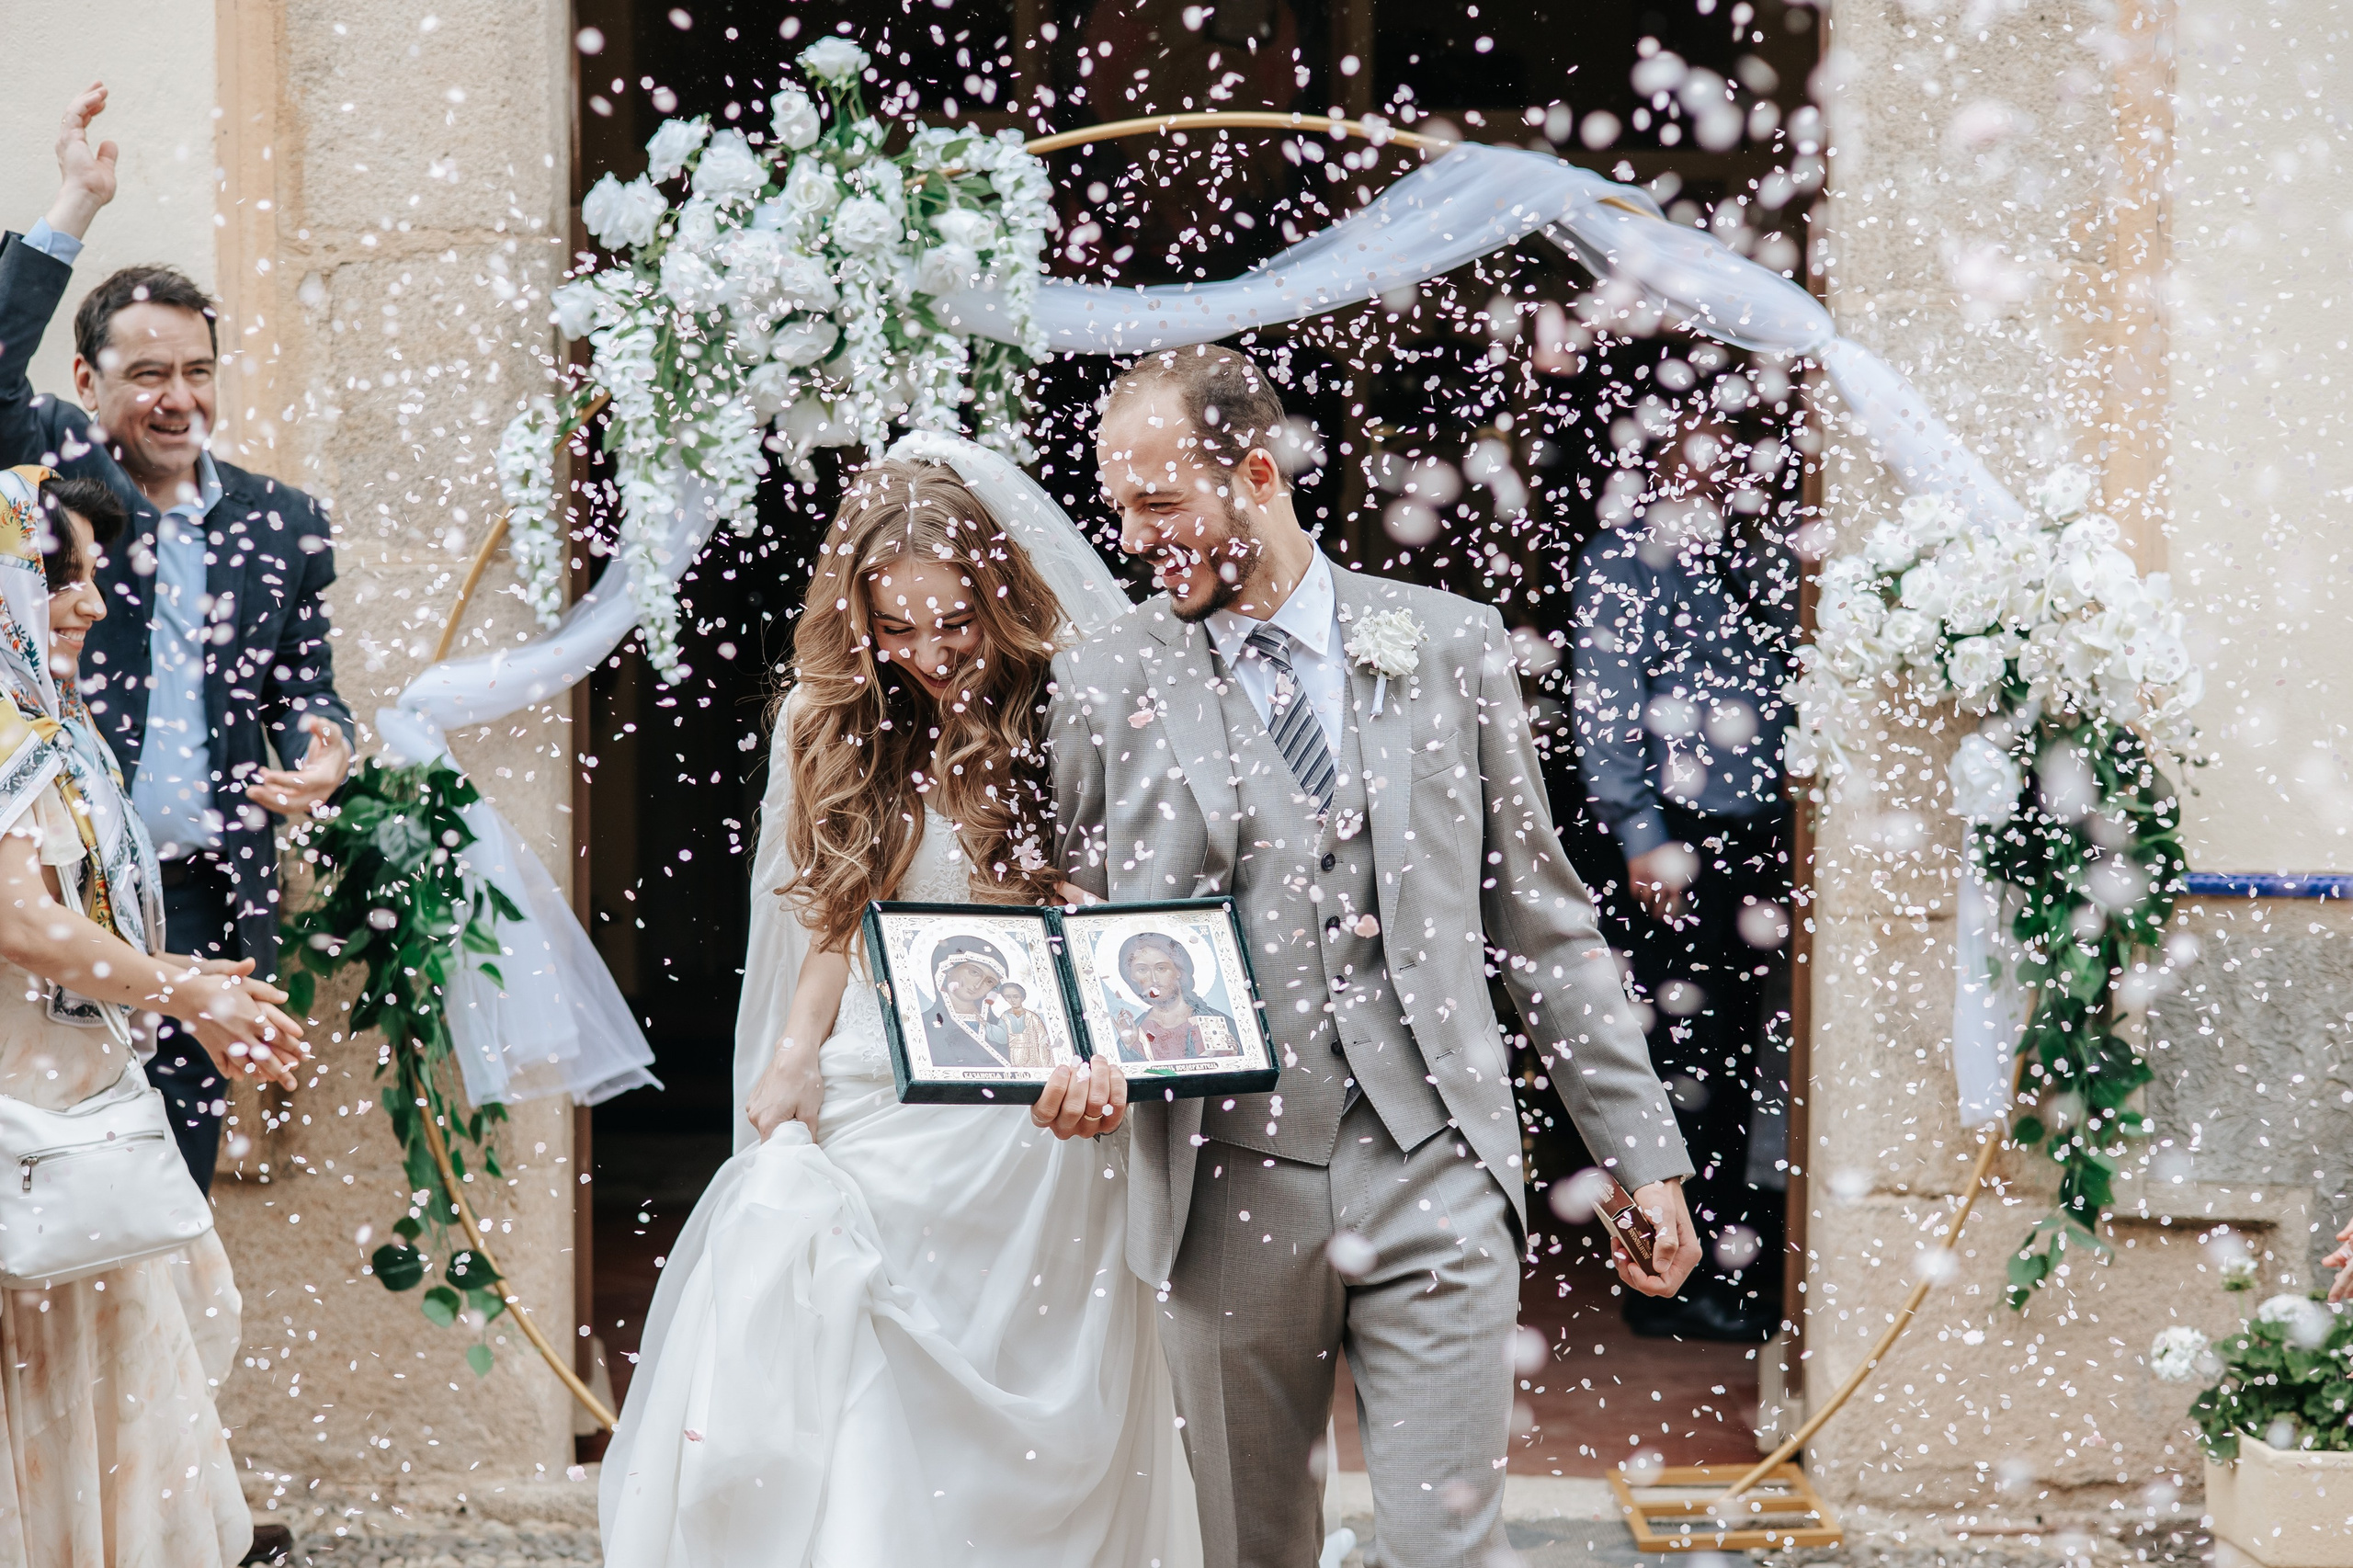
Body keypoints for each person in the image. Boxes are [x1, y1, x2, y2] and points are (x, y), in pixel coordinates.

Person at [1047, 345, 1702, 1568]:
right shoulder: (1104, 680)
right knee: (1254, 1549)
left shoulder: (1448, 645)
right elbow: (1078, 921)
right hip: (1226, 1178)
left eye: (1160, 502)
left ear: (1255, 473)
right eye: (1120, 506)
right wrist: (1074, 1047)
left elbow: (1542, 918)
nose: (1136, 537)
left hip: (1437, 1163)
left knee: (1447, 1548)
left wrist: (1643, 1157)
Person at [598, 447, 1199, 1566]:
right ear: (860, 615)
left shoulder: (1065, 700)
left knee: (1034, 1384)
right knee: (848, 1326)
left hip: (1038, 1099)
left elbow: (1129, 899)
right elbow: (840, 901)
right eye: (899, 630)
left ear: (998, 598)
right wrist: (793, 1051)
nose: (929, 656)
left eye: (955, 625)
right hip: (884, 1072)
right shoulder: (826, 720)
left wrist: (1079, 912)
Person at [0, 84, 354, 1191]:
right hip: (58, 893)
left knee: (169, 1198)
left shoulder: (281, 520)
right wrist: (74, 204)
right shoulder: (63, 475)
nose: (176, 396)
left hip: (203, 896)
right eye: (146, 373)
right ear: (86, 383)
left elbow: (306, 680)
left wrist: (326, 741)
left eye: (197, 370)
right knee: (48, 1197)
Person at [0, 466, 308, 1564]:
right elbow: (21, 924)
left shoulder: (47, 715)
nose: (89, 600)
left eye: (89, 574)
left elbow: (76, 931)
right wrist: (188, 990)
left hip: (77, 1138)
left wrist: (201, 988)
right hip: (18, 1148)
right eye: (57, 573)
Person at [1569, 415, 1800, 1343]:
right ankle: (1655, 1277)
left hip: (1759, 836)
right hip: (1673, 840)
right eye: (1695, 442)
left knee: (1742, 1059)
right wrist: (1638, 827)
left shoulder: (1764, 555)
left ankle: (1729, 1262)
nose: (1716, 461)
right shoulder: (1624, 559)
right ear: (1660, 454)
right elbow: (1606, 693)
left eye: (1732, 443)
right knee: (1664, 1060)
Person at [1111, 932, 1239, 1062]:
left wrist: (1233, 1057)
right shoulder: (1136, 1033)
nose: (1153, 979)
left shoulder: (1216, 1021)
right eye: (1142, 970)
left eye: (1161, 968)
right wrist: (1128, 1048)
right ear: (1133, 977)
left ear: (1178, 970)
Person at [921, 934, 1014, 1067]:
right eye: (974, 972)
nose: (978, 985)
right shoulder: (923, 1024)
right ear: (949, 970)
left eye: (989, 981)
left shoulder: (1002, 1030)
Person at [983, 982, 1056, 1070]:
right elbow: (1002, 1035)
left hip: (1033, 1055)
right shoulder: (1005, 1016)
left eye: (1016, 996)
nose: (1012, 1000)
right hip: (1015, 1054)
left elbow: (1043, 1039)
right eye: (1008, 997)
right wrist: (986, 1025)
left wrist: (1045, 1063)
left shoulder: (1032, 1017)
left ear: (1022, 997)